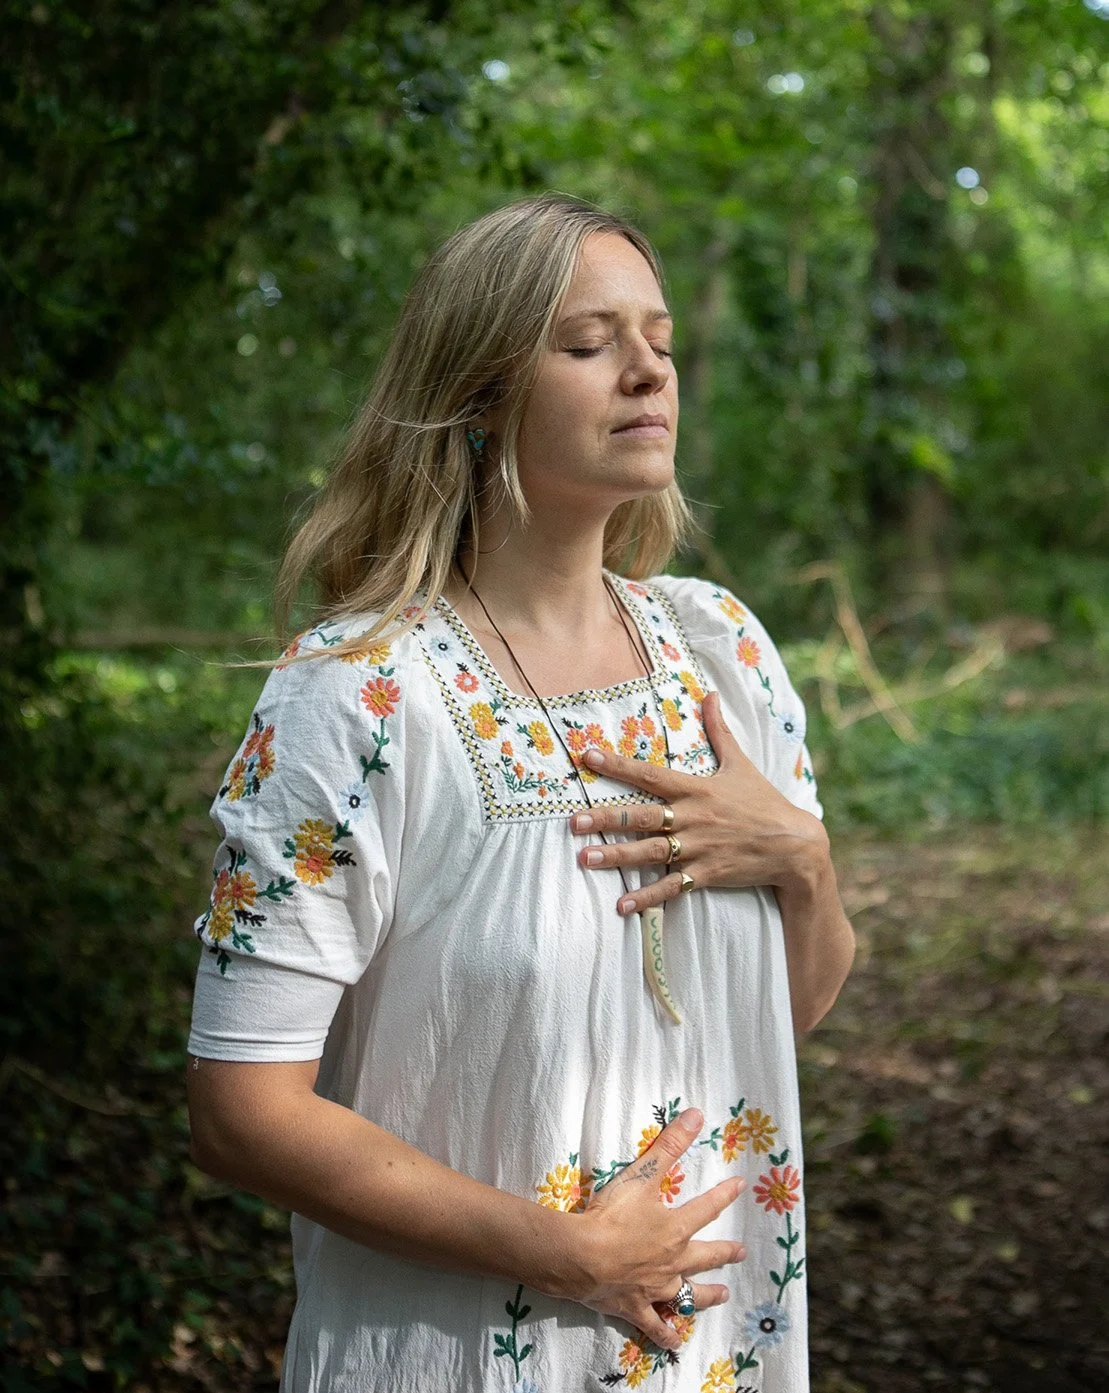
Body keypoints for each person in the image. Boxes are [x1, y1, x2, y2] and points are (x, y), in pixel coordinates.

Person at [186, 193, 855, 1393]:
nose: (647, 370)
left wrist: (801, 863)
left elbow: (765, 1026)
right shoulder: (358, 699)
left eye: (658, 339)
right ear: (478, 394)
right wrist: (571, 1252)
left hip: (714, 1351)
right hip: (459, 1358)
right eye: (590, 343)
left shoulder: (723, 656)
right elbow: (241, 1110)